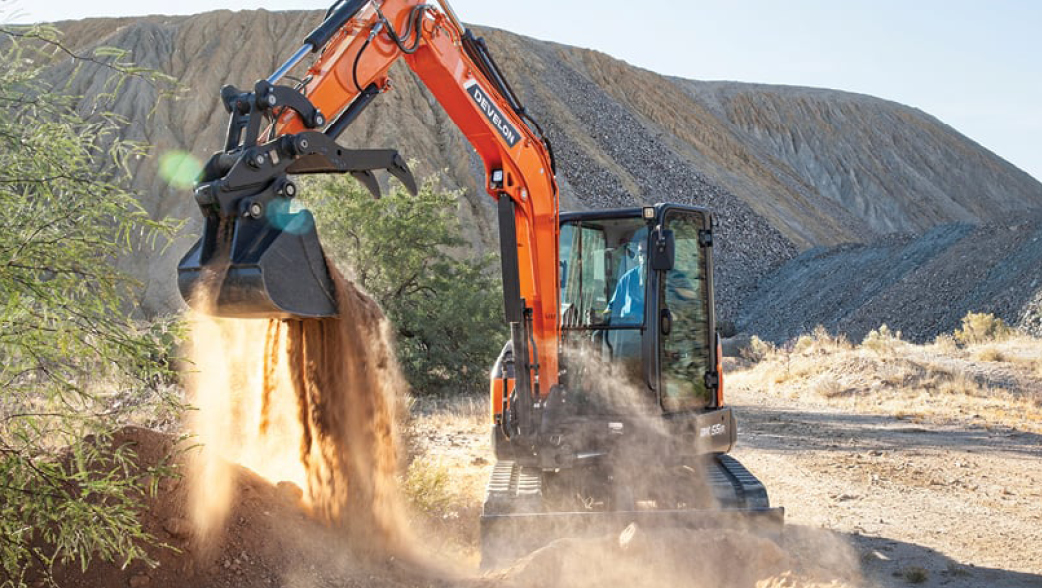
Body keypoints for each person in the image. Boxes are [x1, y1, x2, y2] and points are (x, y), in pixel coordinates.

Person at [607, 238, 646, 325]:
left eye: (647, 252)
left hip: (652, 331)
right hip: (628, 330)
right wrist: (601, 317)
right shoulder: (628, 278)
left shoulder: (668, 279)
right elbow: (613, 307)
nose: (643, 256)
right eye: (640, 253)